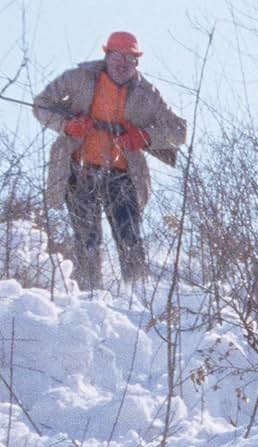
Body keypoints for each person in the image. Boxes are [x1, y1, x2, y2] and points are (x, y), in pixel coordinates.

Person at [33, 31, 186, 290]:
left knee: (130, 238)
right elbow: (41, 104)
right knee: (87, 239)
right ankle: (89, 297)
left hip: (124, 175)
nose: (123, 62)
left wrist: (145, 137)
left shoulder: (148, 94)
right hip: (80, 169)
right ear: (107, 55)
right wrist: (67, 125)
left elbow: (179, 131)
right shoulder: (78, 78)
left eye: (130, 57)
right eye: (117, 55)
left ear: (136, 62)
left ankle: (138, 296)